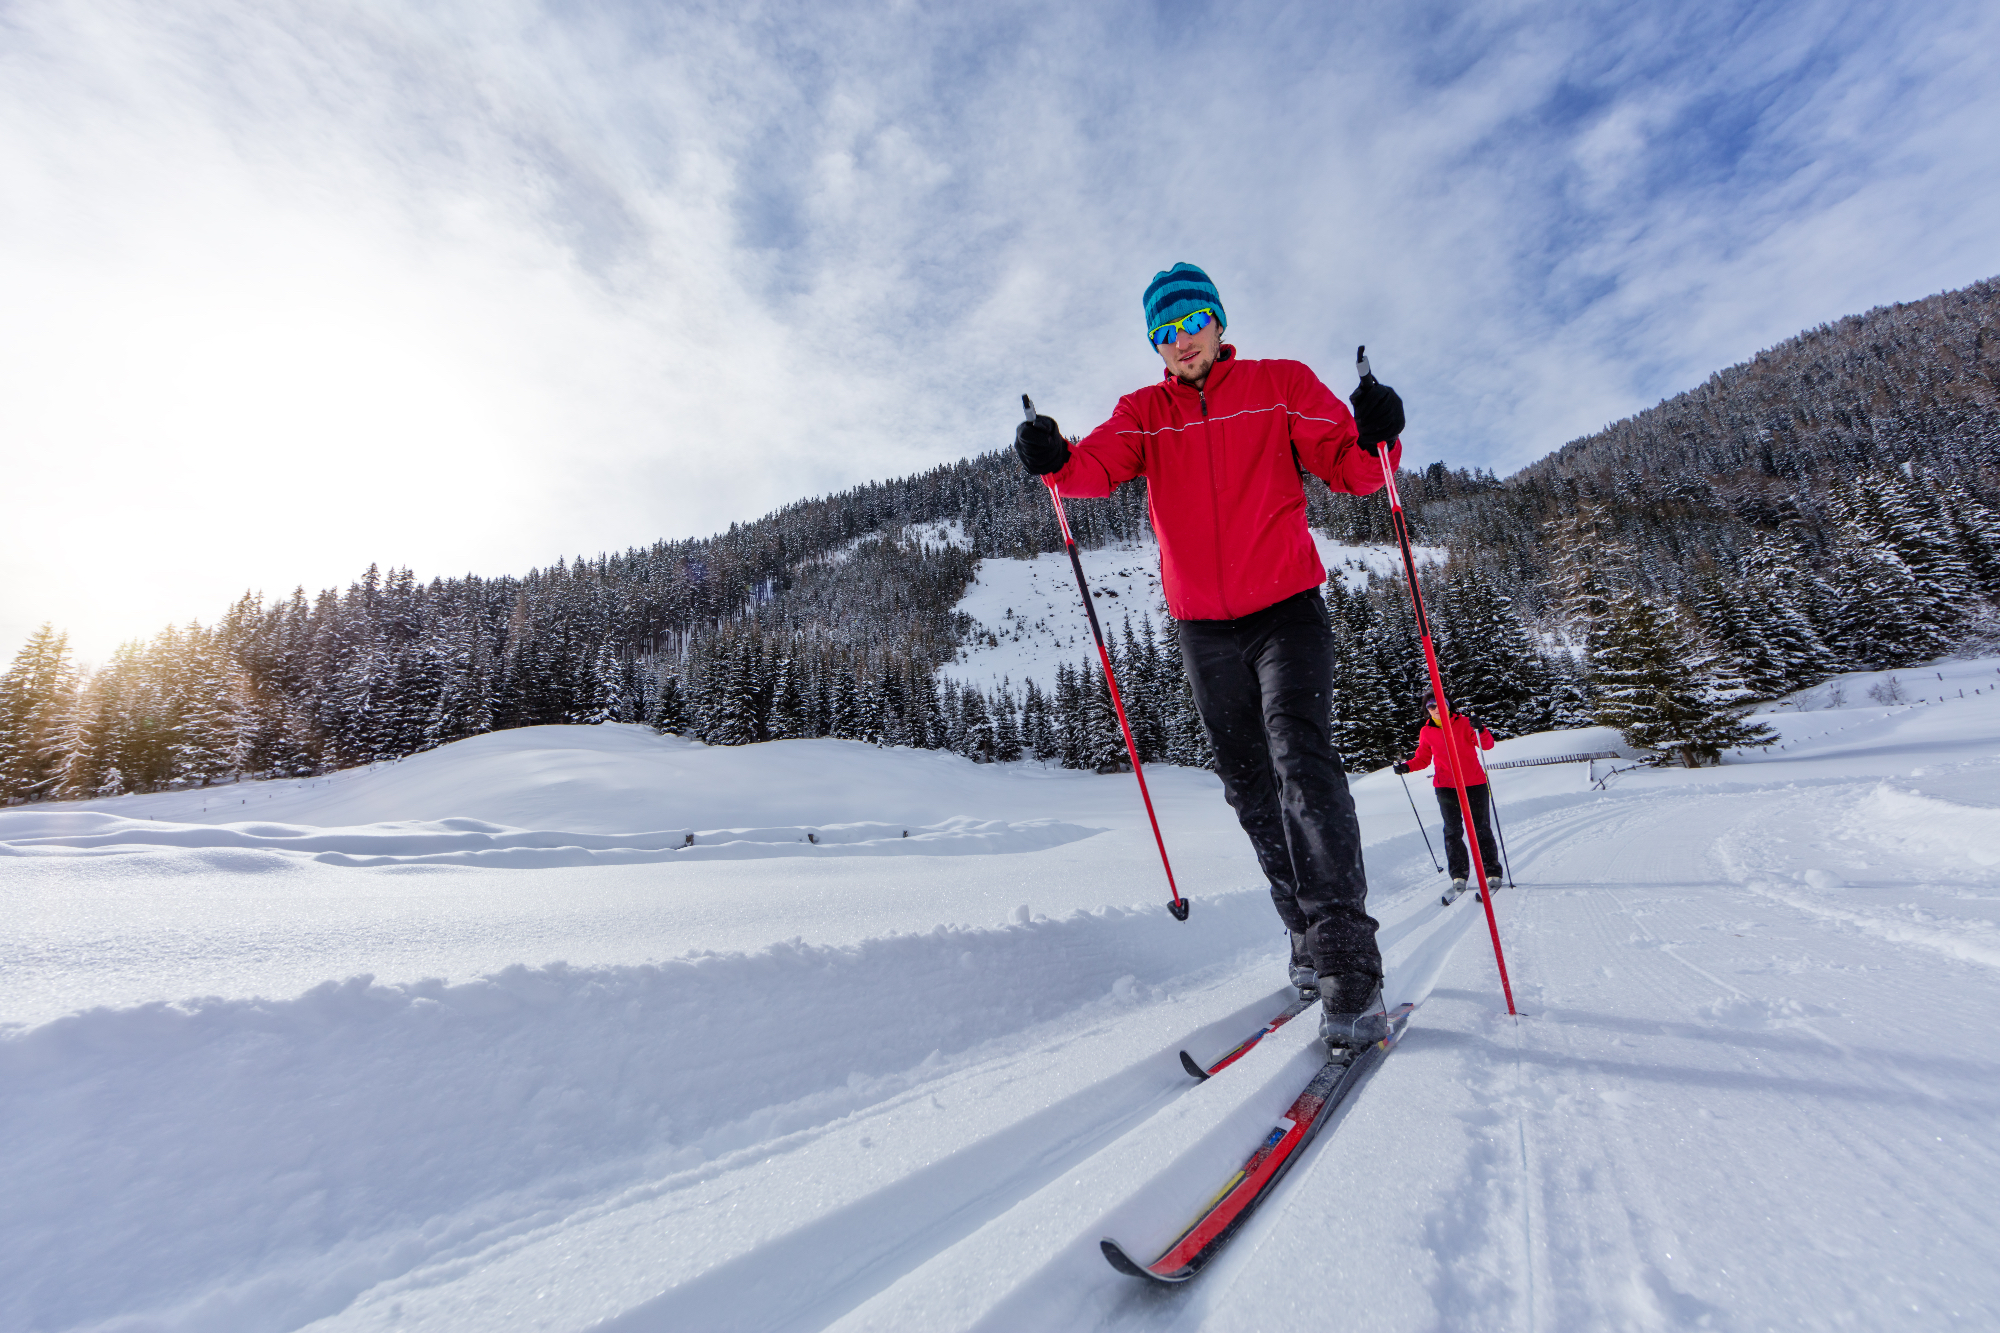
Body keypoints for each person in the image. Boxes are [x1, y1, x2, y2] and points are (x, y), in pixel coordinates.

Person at [1012, 262, 1405, 1049]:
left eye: (1192, 322)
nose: (1181, 340)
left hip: (1286, 609)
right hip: (1203, 628)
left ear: (1218, 321)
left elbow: (1354, 469)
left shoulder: (1279, 382)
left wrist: (1378, 431)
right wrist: (1052, 454)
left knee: (1303, 762)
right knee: (1249, 785)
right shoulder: (1145, 412)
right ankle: (1300, 927)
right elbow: (1091, 469)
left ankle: (1348, 968)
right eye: (1164, 332)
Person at [1395, 703, 1501, 894]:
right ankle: (1459, 875)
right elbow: (1423, 758)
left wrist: (1481, 729)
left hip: (1474, 784)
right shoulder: (1427, 731)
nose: (1436, 708)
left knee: (1481, 828)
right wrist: (1406, 767)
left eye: (1440, 704)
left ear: (1448, 705)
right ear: (1427, 709)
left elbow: (1487, 744)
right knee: (1452, 831)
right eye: (1431, 706)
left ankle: (1492, 872)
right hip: (1446, 787)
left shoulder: (1465, 723)